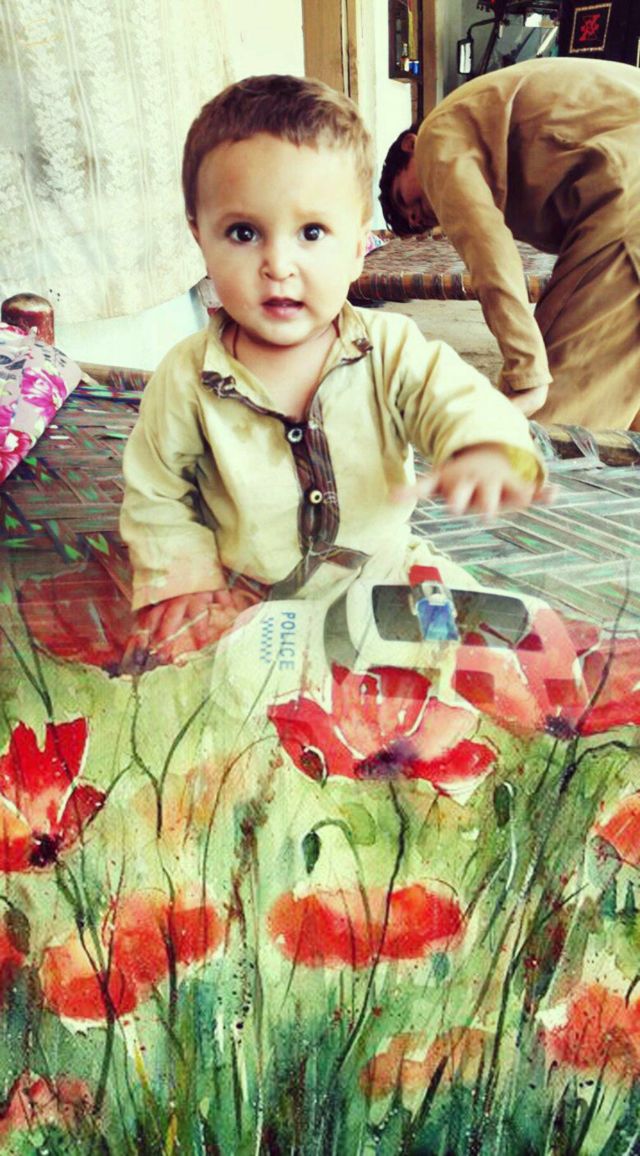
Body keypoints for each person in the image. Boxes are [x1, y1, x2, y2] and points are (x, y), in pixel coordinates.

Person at [120, 74, 546, 666]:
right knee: (196, 690)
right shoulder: (186, 377)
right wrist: (187, 579)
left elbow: (457, 400)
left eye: (312, 232)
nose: (278, 264)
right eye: (243, 233)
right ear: (200, 237)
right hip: (246, 595)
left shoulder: (391, 349)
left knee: (489, 655)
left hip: (389, 578)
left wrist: (484, 446)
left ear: (357, 246)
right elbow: (156, 488)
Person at [379, 58, 640, 431]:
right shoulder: (481, 116)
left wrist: (527, 369)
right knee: (622, 388)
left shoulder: (435, 138)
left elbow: (488, 249)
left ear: (410, 146)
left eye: (406, 200)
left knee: (550, 424)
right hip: (621, 182)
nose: (418, 216)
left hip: (628, 193)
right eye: (413, 224)